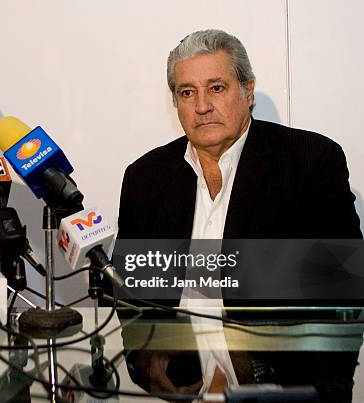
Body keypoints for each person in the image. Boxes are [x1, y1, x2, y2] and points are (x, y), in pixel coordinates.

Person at [118, 29, 361, 402]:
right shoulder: (146, 178)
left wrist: (261, 365)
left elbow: (342, 295)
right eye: (187, 92)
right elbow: (130, 294)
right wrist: (147, 359)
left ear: (247, 91)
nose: (201, 106)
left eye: (216, 88)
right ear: (176, 102)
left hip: (281, 385)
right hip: (182, 385)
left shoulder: (309, 162)